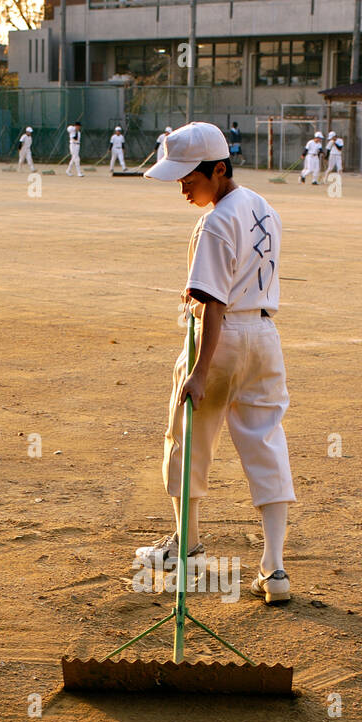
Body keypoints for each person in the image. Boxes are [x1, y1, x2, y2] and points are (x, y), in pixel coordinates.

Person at [136, 122, 296, 604]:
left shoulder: (215, 221)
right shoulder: (263, 207)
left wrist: (200, 371)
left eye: (189, 178)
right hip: (265, 337)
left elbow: (214, 304)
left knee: (187, 439)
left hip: (220, 339)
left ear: (218, 169)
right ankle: (275, 570)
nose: (182, 187)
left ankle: (186, 551)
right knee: (266, 442)